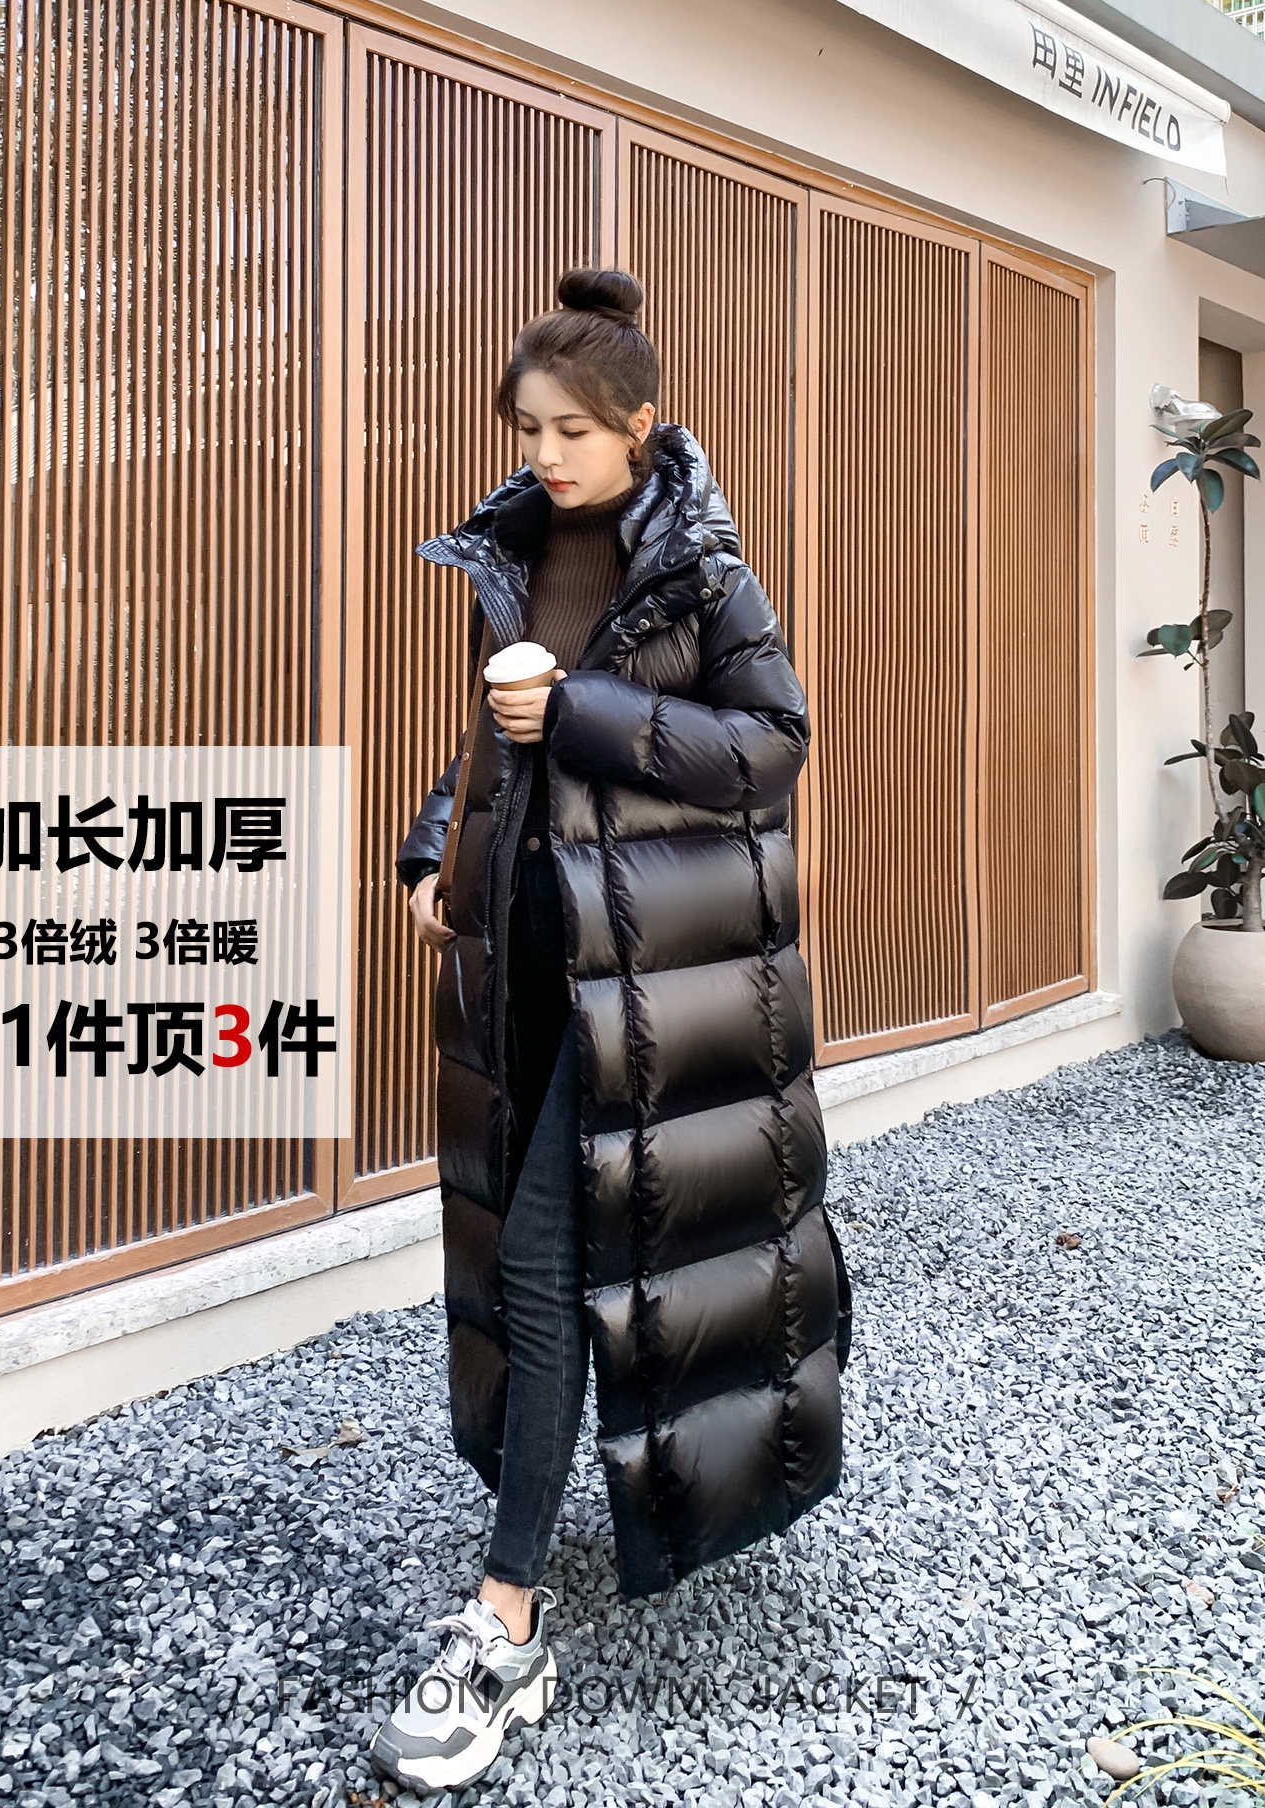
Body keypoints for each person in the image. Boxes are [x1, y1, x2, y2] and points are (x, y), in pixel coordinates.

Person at [371, 266, 852, 1797]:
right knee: (555, 1268)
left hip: (645, 984)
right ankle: (563, 1525)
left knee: (539, 1264)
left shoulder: (702, 573)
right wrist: (434, 848)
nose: (547, 454)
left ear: (641, 425)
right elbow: (490, 745)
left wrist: (572, 714)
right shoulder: (516, 552)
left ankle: (504, 1622)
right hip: (524, 963)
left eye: (573, 431)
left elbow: (768, 748)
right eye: (529, 427)